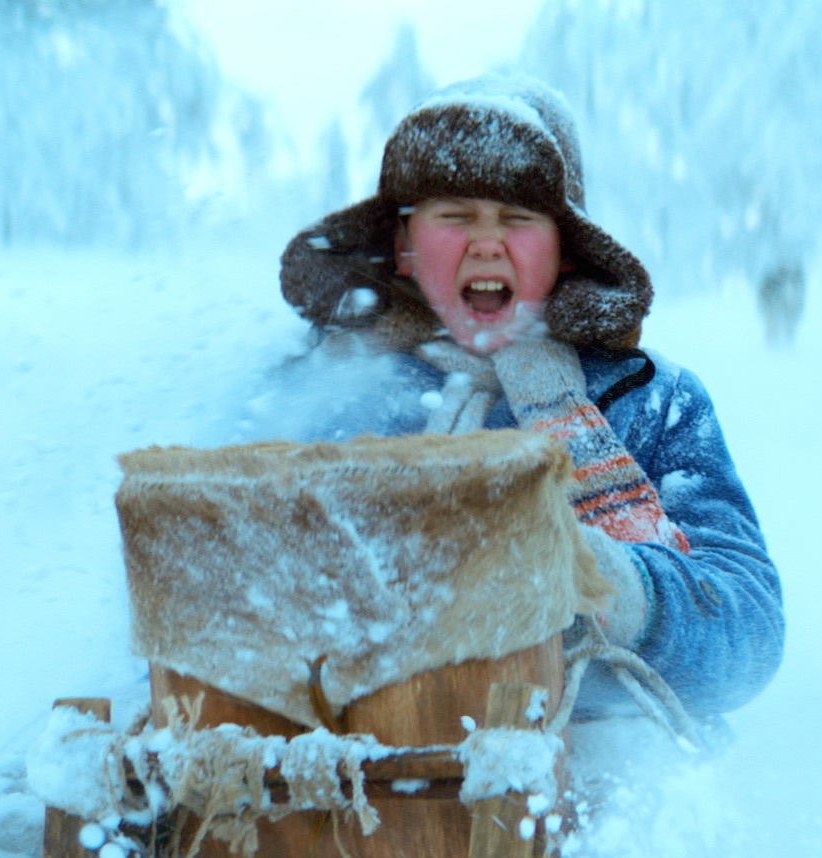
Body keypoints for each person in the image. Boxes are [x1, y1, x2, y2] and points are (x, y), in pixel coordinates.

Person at [270, 73, 782, 737]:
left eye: (517, 219)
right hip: (362, 781)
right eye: (454, 216)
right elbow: (217, 597)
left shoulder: (652, 402)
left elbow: (751, 633)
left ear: (565, 251)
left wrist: (622, 589)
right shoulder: (324, 399)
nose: (487, 243)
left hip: (604, 773)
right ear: (402, 245)